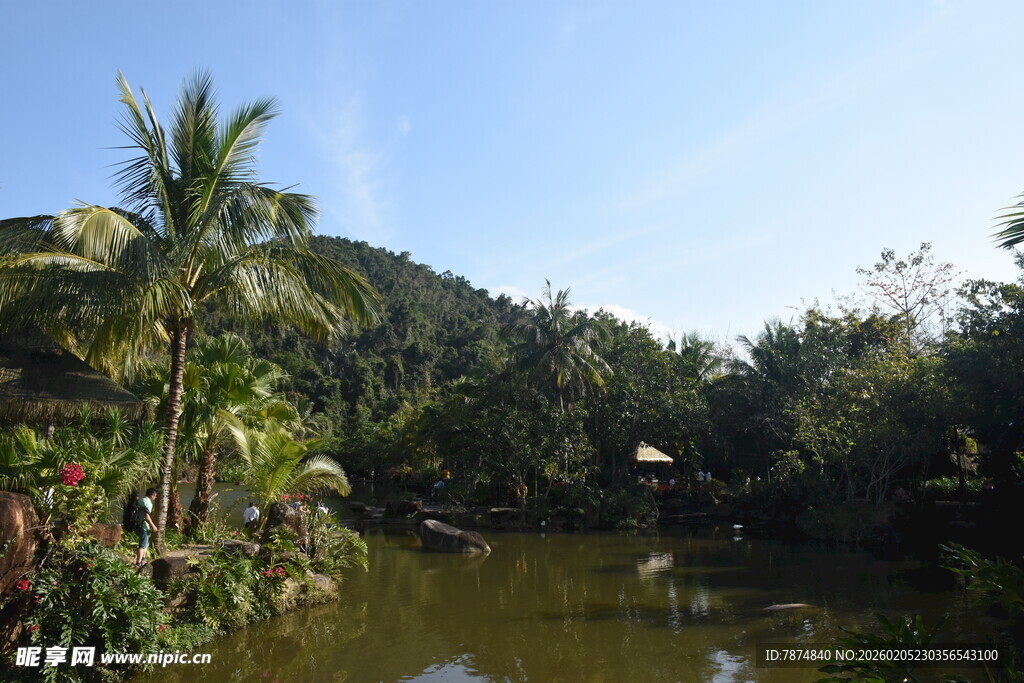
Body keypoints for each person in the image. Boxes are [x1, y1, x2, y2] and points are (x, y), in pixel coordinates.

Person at [135, 488, 158, 568]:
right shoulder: (148, 503)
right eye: (155, 496)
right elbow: (147, 517)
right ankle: (138, 563)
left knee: (144, 544)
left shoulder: (141, 500)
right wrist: (153, 526)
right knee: (142, 545)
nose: (155, 497)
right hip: (144, 526)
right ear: (152, 495)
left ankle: (143, 560)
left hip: (138, 525)